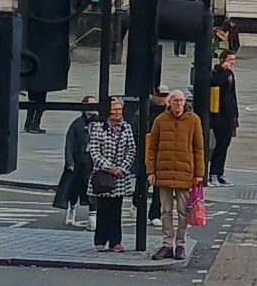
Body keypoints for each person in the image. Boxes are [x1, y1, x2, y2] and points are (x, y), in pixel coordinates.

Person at [144, 89, 207, 260]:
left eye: (181, 100)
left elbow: (199, 148)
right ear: (169, 103)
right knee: (165, 211)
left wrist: (199, 174)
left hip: (185, 173)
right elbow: (152, 148)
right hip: (163, 172)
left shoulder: (193, 120)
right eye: (175, 101)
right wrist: (151, 171)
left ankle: (180, 245)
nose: (178, 104)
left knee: (182, 211)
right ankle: (167, 245)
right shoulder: (160, 120)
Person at [85, 99, 135, 253]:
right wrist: (109, 168)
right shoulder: (98, 127)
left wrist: (122, 168)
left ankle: (116, 242)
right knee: (103, 210)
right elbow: (94, 151)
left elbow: (131, 150)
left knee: (116, 210)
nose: (118, 113)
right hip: (103, 176)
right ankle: (100, 241)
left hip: (120, 177)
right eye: (114, 110)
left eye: (120, 110)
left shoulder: (127, 127)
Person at [54, 95, 96, 227]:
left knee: (93, 188)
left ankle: (92, 217)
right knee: (74, 187)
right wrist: (69, 161)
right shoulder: (77, 124)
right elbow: (69, 144)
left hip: (93, 161)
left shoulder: (99, 123)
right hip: (79, 160)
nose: (93, 108)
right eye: (90, 105)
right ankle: (71, 209)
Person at [206, 50, 239, 184]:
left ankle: (220, 172)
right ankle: (213, 172)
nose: (232, 62)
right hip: (219, 115)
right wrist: (224, 72)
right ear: (222, 60)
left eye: (234, 60)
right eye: (230, 60)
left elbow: (232, 96)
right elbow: (216, 83)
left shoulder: (230, 74)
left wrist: (235, 116)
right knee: (220, 144)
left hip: (229, 115)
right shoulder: (217, 73)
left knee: (225, 144)